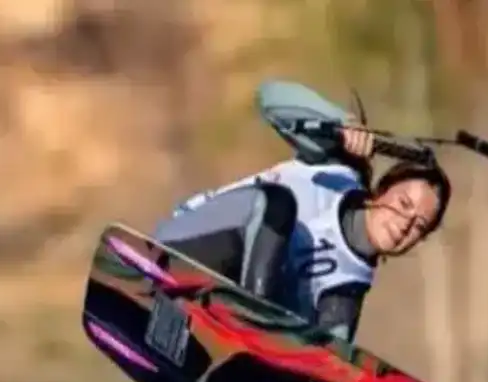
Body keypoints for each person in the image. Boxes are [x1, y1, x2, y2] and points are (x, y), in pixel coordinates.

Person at [151, 79, 452, 344]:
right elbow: (269, 96)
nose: (405, 224)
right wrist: (340, 123)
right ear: (381, 191)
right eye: (403, 204)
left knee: (319, 338)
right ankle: (252, 331)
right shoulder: (334, 167)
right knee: (276, 206)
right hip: (182, 244)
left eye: (419, 226)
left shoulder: (345, 293)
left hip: (216, 302)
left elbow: (324, 365)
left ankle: (242, 346)